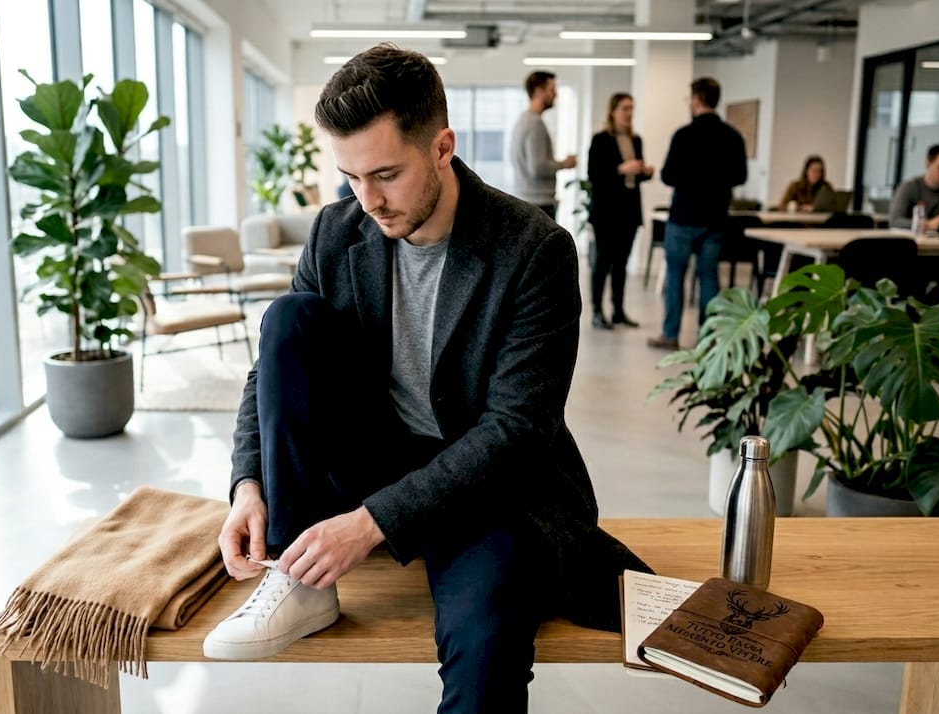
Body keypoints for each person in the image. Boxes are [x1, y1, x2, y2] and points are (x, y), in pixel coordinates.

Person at [203, 45, 650, 713]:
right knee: (289, 319)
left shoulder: (535, 250)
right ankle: (298, 581)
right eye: (351, 177)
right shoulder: (335, 231)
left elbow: (517, 430)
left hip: (490, 483)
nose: (369, 201)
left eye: (386, 174)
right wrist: (248, 484)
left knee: (484, 646)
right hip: (371, 456)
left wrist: (371, 524)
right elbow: (271, 369)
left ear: (443, 147)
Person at [648, 77, 748, 351]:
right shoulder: (732, 136)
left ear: (696, 100)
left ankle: (670, 334)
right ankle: (708, 337)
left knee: (675, 277)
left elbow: (668, 176)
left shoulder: (684, 135)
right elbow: (740, 176)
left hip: (683, 217)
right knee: (709, 277)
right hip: (714, 218)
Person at [586, 92, 653, 329]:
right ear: (613, 111)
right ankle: (597, 310)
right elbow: (594, 174)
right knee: (603, 262)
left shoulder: (636, 140)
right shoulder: (601, 140)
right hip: (606, 212)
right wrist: (620, 169)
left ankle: (618, 310)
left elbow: (634, 177)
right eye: (624, 108)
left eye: (631, 108)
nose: (629, 113)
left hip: (629, 210)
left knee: (622, 263)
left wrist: (644, 172)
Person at [509, 70, 577, 218]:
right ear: (539, 91)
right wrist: (564, 164)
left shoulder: (524, 120)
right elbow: (537, 167)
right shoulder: (534, 124)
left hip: (529, 201)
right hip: (538, 204)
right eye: (552, 89)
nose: (555, 94)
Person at [888, 142, 939, 231]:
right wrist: (928, 224)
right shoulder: (909, 187)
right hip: (917, 238)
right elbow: (895, 221)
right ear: (928, 164)